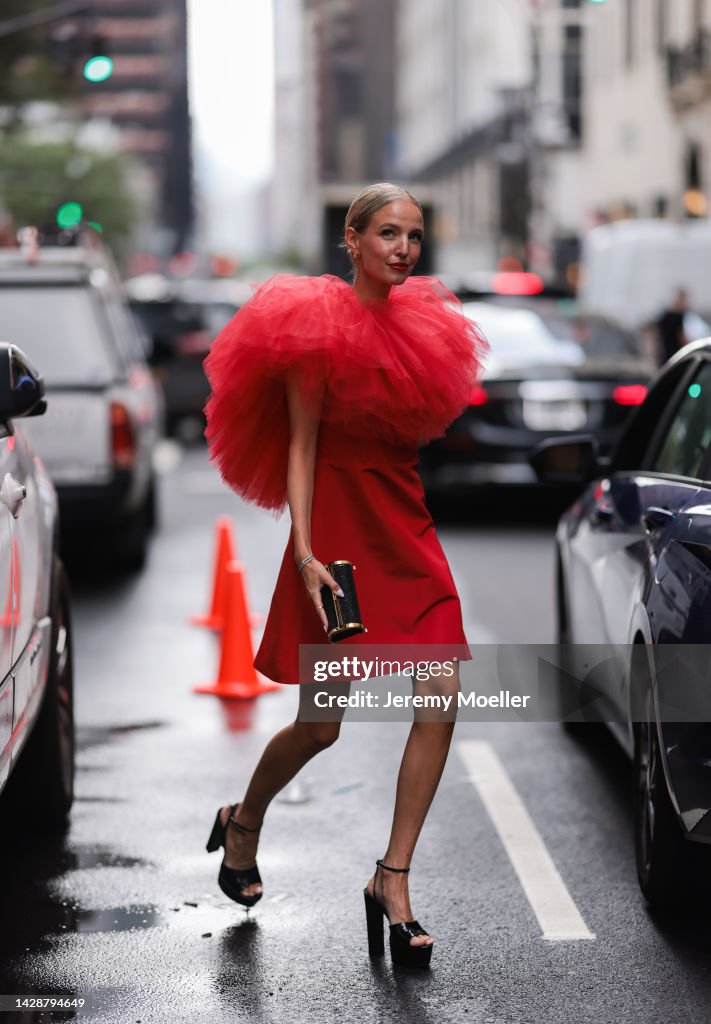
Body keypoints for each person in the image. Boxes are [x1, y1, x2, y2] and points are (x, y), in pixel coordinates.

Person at [202, 182, 488, 969]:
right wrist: (303, 552)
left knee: (441, 696)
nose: (403, 248)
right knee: (323, 726)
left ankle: (391, 878)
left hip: (408, 528)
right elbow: (298, 449)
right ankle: (244, 819)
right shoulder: (312, 327)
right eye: (388, 233)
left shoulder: (429, 327)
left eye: (414, 236)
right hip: (336, 544)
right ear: (352, 240)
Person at [656, 287, 689, 366]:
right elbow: (681, 338)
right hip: (676, 356)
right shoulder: (678, 317)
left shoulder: (665, 316)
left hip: (666, 357)